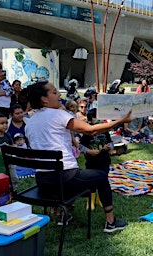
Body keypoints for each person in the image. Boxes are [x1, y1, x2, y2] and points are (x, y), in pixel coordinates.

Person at [25, 81, 133, 233]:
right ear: (44, 99)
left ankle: (65, 213)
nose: (59, 95)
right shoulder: (59, 115)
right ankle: (111, 222)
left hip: (43, 181)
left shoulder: (30, 123)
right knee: (101, 176)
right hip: (64, 179)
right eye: (55, 92)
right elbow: (91, 131)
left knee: (79, 174)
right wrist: (121, 121)